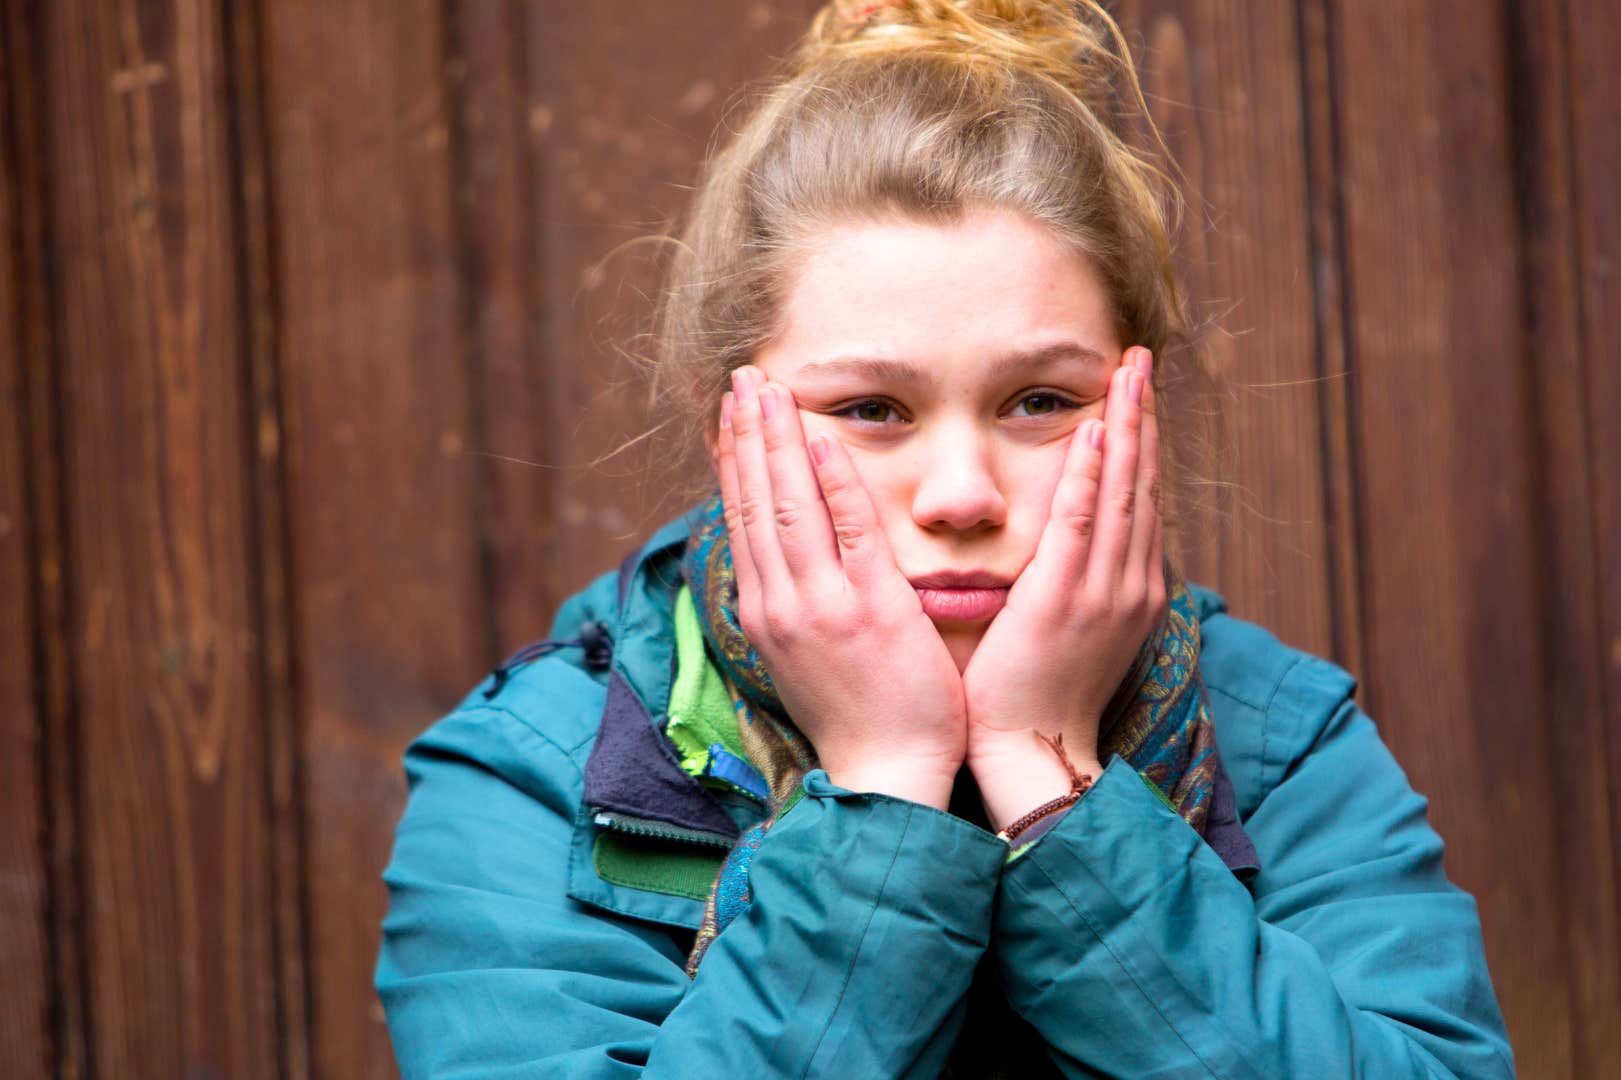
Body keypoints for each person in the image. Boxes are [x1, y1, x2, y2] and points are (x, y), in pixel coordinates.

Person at [373, 1, 1515, 1076]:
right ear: (732, 427)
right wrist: (884, 799)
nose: (963, 494)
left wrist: (1052, 782)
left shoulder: (1281, 749)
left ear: (1138, 408)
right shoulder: (539, 781)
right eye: (872, 411)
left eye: (1038, 402)